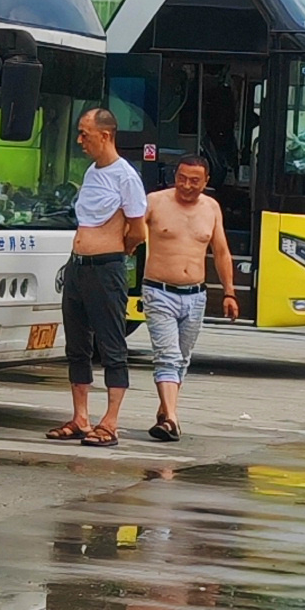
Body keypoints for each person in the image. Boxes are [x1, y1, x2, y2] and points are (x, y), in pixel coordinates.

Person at [50, 106, 146, 446]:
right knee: (77, 344)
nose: (80, 141)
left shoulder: (126, 177)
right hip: (78, 266)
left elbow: (138, 230)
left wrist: (119, 249)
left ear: (105, 135)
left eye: (84, 134)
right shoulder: (92, 173)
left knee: (110, 345)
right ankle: (80, 416)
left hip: (105, 268)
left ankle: (111, 420)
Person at [139, 153, 238, 443]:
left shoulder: (212, 208)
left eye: (194, 181)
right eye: (181, 178)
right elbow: (130, 233)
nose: (186, 185)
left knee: (181, 360)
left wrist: (229, 292)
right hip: (159, 290)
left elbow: (221, 251)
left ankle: (164, 411)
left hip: (195, 295)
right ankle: (172, 419)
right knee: (167, 357)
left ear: (206, 181)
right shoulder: (155, 201)